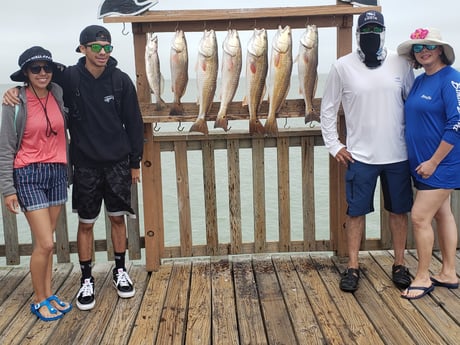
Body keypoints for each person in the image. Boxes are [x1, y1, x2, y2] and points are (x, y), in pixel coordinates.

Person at [3, 25, 144, 311]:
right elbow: (35, 88)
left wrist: (134, 163)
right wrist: (12, 93)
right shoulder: (68, 77)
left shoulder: (120, 80)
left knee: (118, 220)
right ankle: (86, 278)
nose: (102, 52)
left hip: (116, 162)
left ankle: (120, 271)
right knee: (85, 224)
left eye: (108, 47)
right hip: (84, 165)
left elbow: (134, 122)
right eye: (96, 47)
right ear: (82, 49)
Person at [320, 10, 415, 292]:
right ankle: (352, 266)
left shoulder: (402, 64)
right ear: (358, 34)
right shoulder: (342, 67)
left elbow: (414, 105)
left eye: (376, 30)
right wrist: (334, 144)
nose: (371, 35)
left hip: (398, 155)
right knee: (356, 213)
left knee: (399, 212)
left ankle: (399, 263)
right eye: (367, 31)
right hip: (359, 156)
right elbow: (327, 110)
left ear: (383, 32)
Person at [0, 46, 72, 321]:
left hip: (56, 173)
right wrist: (7, 189)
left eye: (47, 68)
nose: (43, 73)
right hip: (28, 174)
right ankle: (38, 299)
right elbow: (6, 146)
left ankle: (49, 294)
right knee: (46, 244)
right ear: (25, 74)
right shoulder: (14, 100)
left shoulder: (57, 92)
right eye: (35, 69)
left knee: (47, 242)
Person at [397, 28, 460, 299]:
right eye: (418, 47)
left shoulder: (451, 79)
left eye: (429, 46)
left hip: (442, 164)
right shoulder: (422, 80)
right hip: (423, 164)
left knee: (420, 217)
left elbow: (456, 125)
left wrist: (434, 162)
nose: (423, 51)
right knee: (442, 213)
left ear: (440, 50)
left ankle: (423, 277)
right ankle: (448, 272)